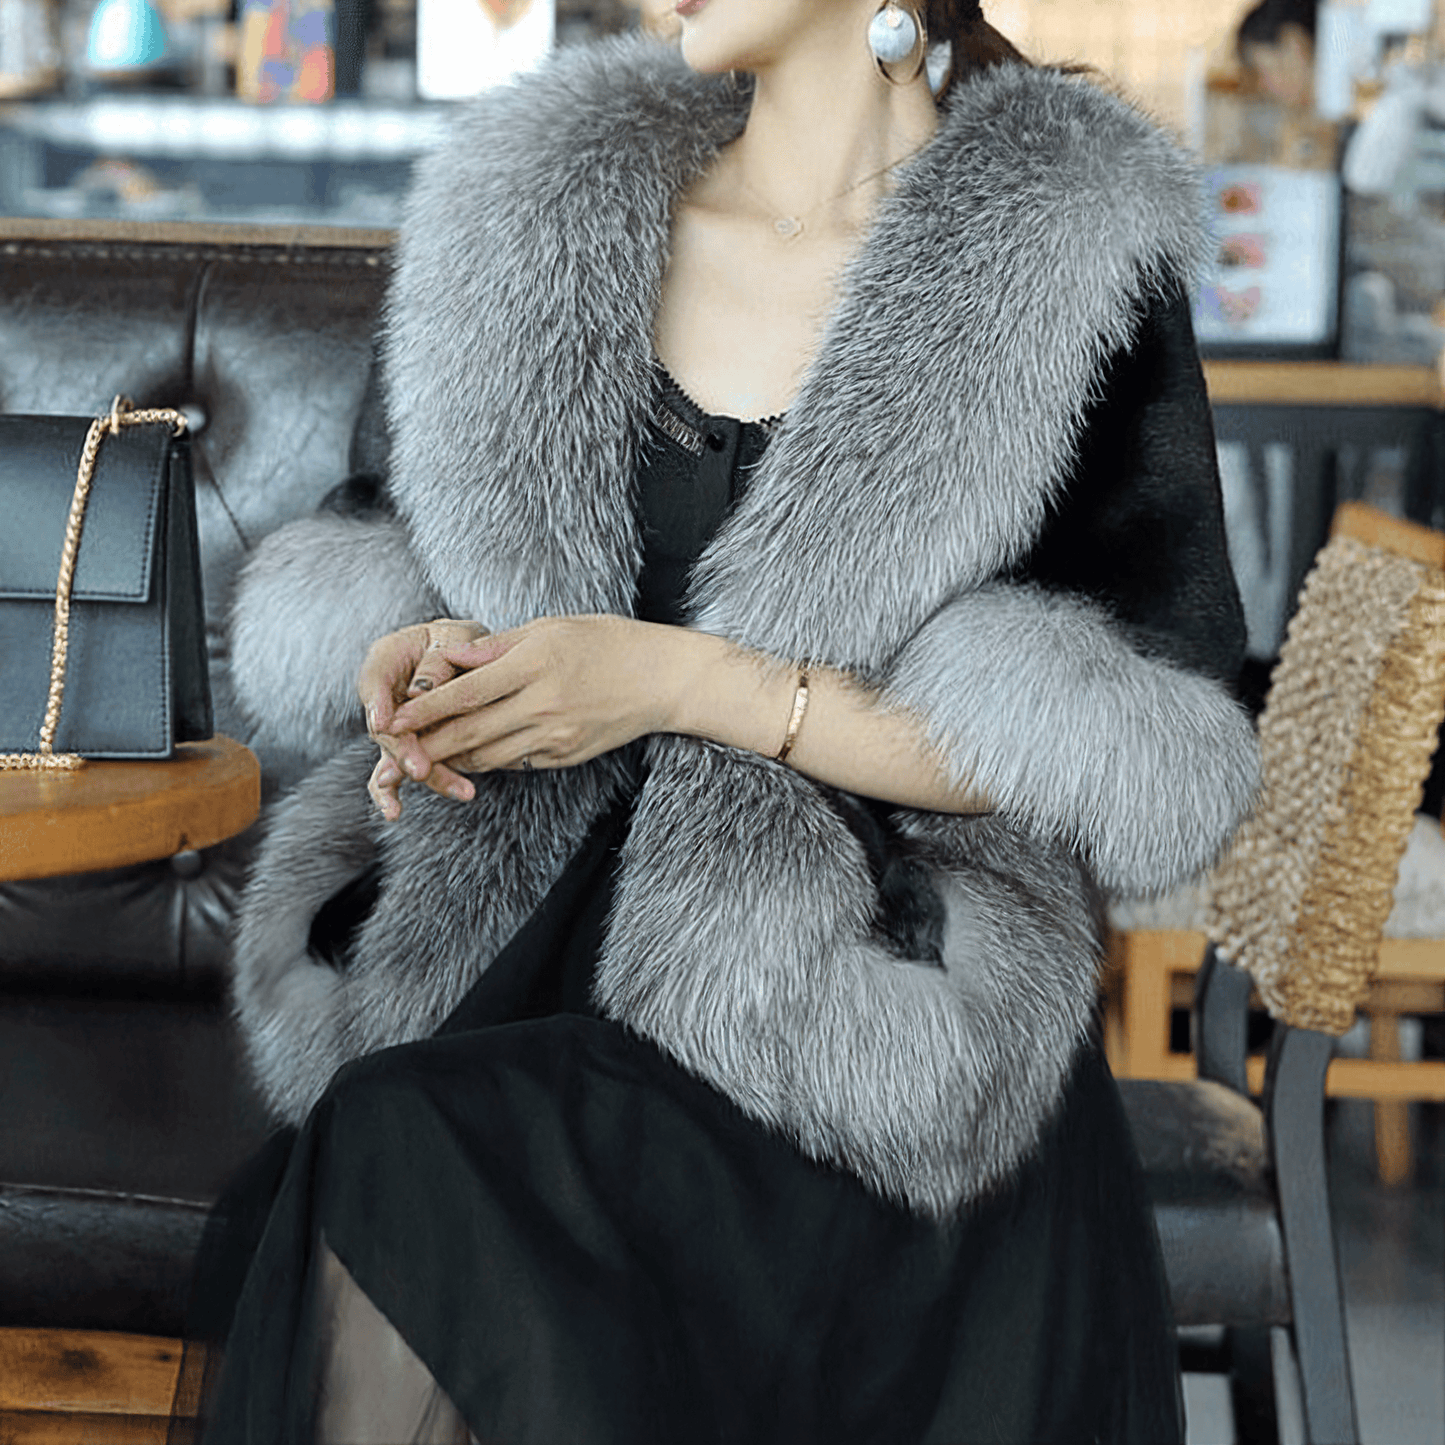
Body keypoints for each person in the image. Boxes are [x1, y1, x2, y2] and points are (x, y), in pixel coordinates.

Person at [186, 1, 1260, 1440]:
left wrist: (680, 683)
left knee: (411, 1148)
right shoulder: (530, 212)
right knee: (406, 1144)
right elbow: (392, 543)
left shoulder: (1066, 263)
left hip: (860, 1017)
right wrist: (431, 656)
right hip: (522, 947)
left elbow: (1119, 747)